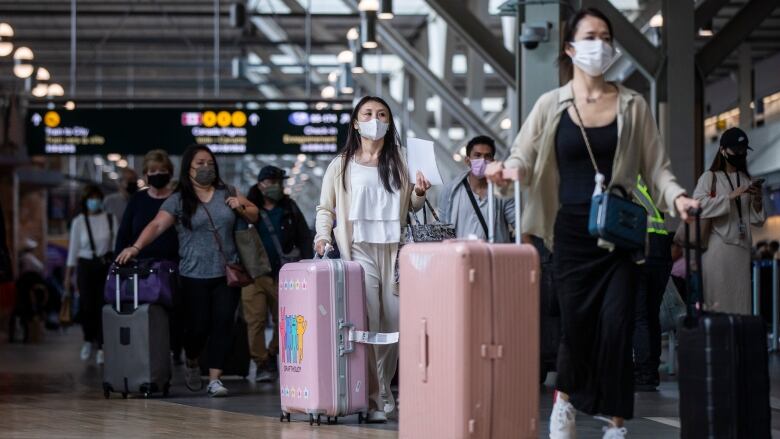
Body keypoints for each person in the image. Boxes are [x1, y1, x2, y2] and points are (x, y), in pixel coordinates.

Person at [485, 8, 699, 438]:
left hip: (617, 232)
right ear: (569, 47)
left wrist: (676, 195)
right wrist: (507, 172)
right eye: (589, 36)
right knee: (577, 326)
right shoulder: (551, 104)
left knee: (618, 325)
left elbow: (657, 166)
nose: (599, 44)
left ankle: (615, 424)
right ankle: (565, 401)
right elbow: (522, 154)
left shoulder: (633, 105)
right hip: (570, 232)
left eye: (605, 36)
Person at [314, 96, 431, 423]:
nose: (375, 119)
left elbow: (414, 207)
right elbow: (326, 208)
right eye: (367, 114)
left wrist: (421, 192)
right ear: (355, 122)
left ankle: (381, 392)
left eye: (382, 114)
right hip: (359, 252)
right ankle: (376, 399)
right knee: (367, 324)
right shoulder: (341, 164)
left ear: (390, 122)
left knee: (393, 327)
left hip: (396, 253)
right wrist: (322, 235)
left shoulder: (404, 160)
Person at [116, 145, 259, 398]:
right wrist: (136, 247)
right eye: (200, 164)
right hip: (193, 274)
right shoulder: (179, 199)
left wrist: (240, 206)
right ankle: (192, 359)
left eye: (209, 163)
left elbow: (254, 214)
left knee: (224, 323)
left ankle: (215, 379)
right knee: (197, 328)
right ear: (188, 169)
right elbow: (158, 224)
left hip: (227, 272)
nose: (206, 168)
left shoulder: (227, 191)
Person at [243, 165, 312, 382]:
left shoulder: (289, 208)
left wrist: (308, 265)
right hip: (253, 274)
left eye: (278, 182)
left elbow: (303, 236)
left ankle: (273, 353)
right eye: (271, 182)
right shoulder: (249, 208)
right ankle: (261, 363)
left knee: (285, 320)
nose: (276, 186)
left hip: (284, 276)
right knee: (255, 321)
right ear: (261, 184)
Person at [114, 149, 182, 363]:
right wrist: (120, 260)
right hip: (141, 269)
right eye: (153, 170)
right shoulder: (138, 200)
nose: (157, 174)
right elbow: (124, 233)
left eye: (162, 170)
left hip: (173, 266)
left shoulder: (178, 200)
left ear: (170, 173)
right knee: (144, 311)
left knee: (174, 312)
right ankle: (145, 349)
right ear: (146, 173)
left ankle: (175, 349)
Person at [694, 127, 765, 314]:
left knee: (742, 307)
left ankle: (737, 344)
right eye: (736, 149)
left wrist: (757, 199)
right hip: (718, 249)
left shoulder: (745, 178)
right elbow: (697, 206)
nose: (740, 154)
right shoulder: (710, 178)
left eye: (743, 150)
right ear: (723, 150)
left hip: (741, 251)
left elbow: (757, 220)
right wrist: (730, 197)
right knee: (719, 308)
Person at [64, 184, 118, 365]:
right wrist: (67, 277)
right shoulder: (79, 221)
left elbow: (116, 245)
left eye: (96, 198)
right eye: (90, 198)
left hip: (105, 266)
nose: (93, 202)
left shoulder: (110, 219)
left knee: (103, 306)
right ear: (85, 201)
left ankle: (103, 346)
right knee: (87, 305)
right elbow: (73, 250)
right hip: (85, 266)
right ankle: (88, 339)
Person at [632, 177, 672, 392]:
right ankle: (651, 372)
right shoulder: (653, 180)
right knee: (651, 314)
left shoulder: (627, 177)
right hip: (661, 250)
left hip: (640, 248)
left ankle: (643, 373)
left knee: (639, 316)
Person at [438, 135, 515, 242]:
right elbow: (442, 229)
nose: (482, 160)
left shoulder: (501, 191)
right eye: (477, 155)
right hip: (461, 255)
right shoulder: (451, 191)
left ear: (493, 161)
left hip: (494, 256)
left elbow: (518, 223)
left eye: (487, 156)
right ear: (467, 160)